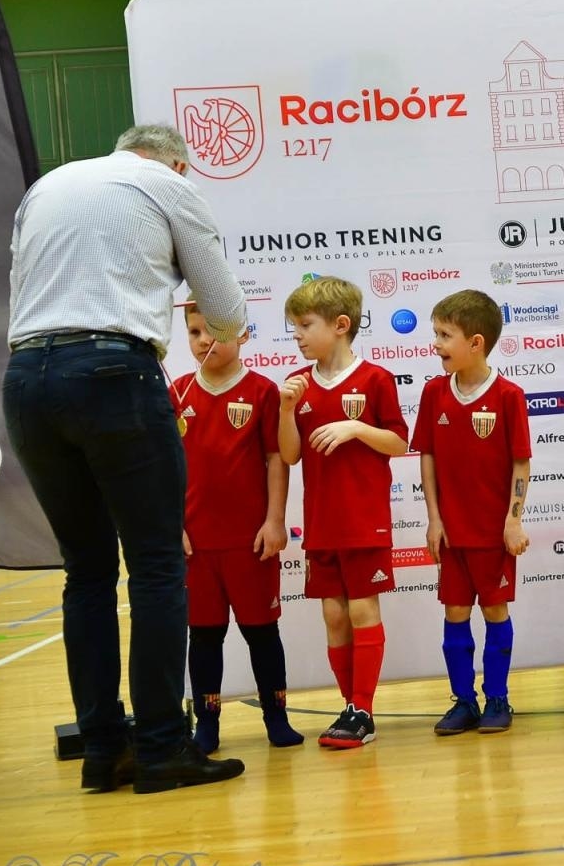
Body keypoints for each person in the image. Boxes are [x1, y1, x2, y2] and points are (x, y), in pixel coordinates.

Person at [4, 123, 247, 794]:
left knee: (85, 571)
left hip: (26, 378)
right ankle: (165, 747)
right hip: (114, 371)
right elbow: (225, 313)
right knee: (158, 565)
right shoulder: (168, 185)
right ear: (174, 162)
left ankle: (103, 750)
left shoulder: (46, 186)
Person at [278, 275, 409, 746]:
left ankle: (364, 712)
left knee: (360, 610)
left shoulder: (375, 379)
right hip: (320, 524)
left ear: (340, 325)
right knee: (333, 616)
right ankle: (349, 707)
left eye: (304, 324)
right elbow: (290, 455)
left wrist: (355, 428)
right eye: (293, 325)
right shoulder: (298, 386)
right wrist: (286, 411)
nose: (296, 334)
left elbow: (399, 442)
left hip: (363, 520)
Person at [172, 303, 303, 753]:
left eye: (212, 330)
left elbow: (275, 460)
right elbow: (164, 468)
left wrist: (274, 520)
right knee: (204, 635)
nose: (203, 340)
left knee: (262, 632)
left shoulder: (264, 392)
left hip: (251, 541)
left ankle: (276, 717)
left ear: (242, 334)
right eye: (193, 331)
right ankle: (205, 724)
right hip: (196, 544)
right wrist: (174, 524)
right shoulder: (177, 394)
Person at [412, 290, 531, 736]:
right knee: (454, 615)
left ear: (476, 342)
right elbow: (427, 455)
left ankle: (498, 697)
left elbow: (521, 461)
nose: (436, 344)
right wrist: (434, 518)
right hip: (452, 533)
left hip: (491, 534)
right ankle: (464, 700)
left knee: (495, 612)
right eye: (436, 333)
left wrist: (512, 519)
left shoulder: (508, 395)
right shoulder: (433, 392)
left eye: (445, 335)